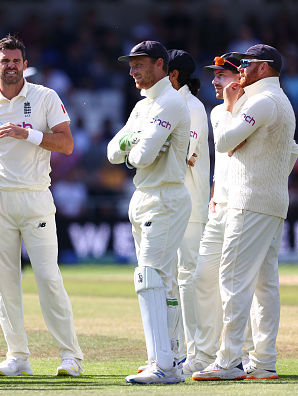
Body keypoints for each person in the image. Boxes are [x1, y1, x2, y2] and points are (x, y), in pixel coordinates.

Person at [0, 34, 84, 377]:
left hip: (35, 196)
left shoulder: (44, 97)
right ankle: (17, 357)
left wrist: (29, 135)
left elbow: (67, 144)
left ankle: (71, 357)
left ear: (25, 65)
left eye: (15, 60)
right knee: (5, 282)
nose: (10, 66)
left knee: (48, 277)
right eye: (4, 61)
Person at [192, 45, 296, 381]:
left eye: (247, 64)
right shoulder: (276, 101)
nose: (242, 70)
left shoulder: (262, 101)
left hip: (249, 200)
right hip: (269, 201)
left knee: (233, 279)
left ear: (264, 68)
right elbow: (292, 151)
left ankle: (228, 360)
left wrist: (231, 106)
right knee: (265, 285)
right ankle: (264, 361)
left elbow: (223, 141)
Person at [108, 40, 191, 384]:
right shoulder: (144, 107)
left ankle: (163, 365)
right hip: (144, 195)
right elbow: (114, 151)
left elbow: (140, 158)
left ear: (160, 64)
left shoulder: (170, 101)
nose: (132, 71)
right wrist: (135, 142)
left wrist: (135, 147)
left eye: (139, 64)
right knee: (162, 282)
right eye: (130, 65)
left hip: (166, 196)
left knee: (149, 278)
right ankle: (170, 357)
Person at [184, 52, 248, 376]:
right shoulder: (216, 111)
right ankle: (205, 354)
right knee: (202, 279)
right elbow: (224, 155)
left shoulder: (254, 109)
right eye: (214, 75)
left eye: (221, 75)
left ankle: (244, 355)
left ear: (239, 78)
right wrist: (212, 193)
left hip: (245, 206)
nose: (214, 80)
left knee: (237, 283)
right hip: (218, 205)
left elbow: (233, 147)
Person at [166, 49, 210, 365]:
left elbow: (181, 156)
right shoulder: (171, 105)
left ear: (173, 75)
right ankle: (174, 352)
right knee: (169, 279)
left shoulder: (192, 107)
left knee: (188, 278)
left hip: (191, 206)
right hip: (170, 204)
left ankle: (196, 354)